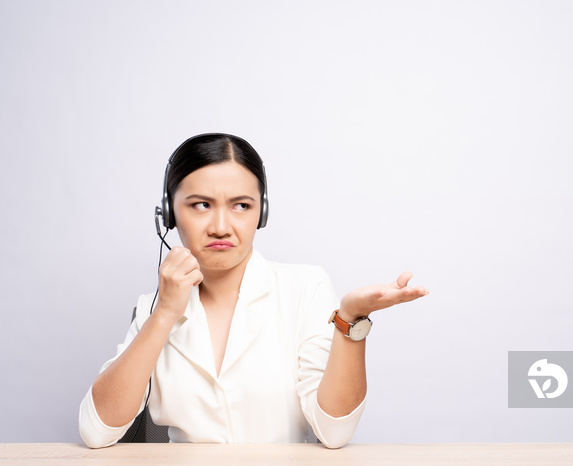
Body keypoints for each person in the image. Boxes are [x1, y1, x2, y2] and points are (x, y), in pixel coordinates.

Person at [78, 133, 428, 448]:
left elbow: (333, 432)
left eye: (241, 205)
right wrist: (166, 313)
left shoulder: (304, 288)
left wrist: (350, 321)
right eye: (201, 204)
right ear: (169, 213)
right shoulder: (153, 308)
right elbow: (97, 431)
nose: (220, 227)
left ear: (261, 212)